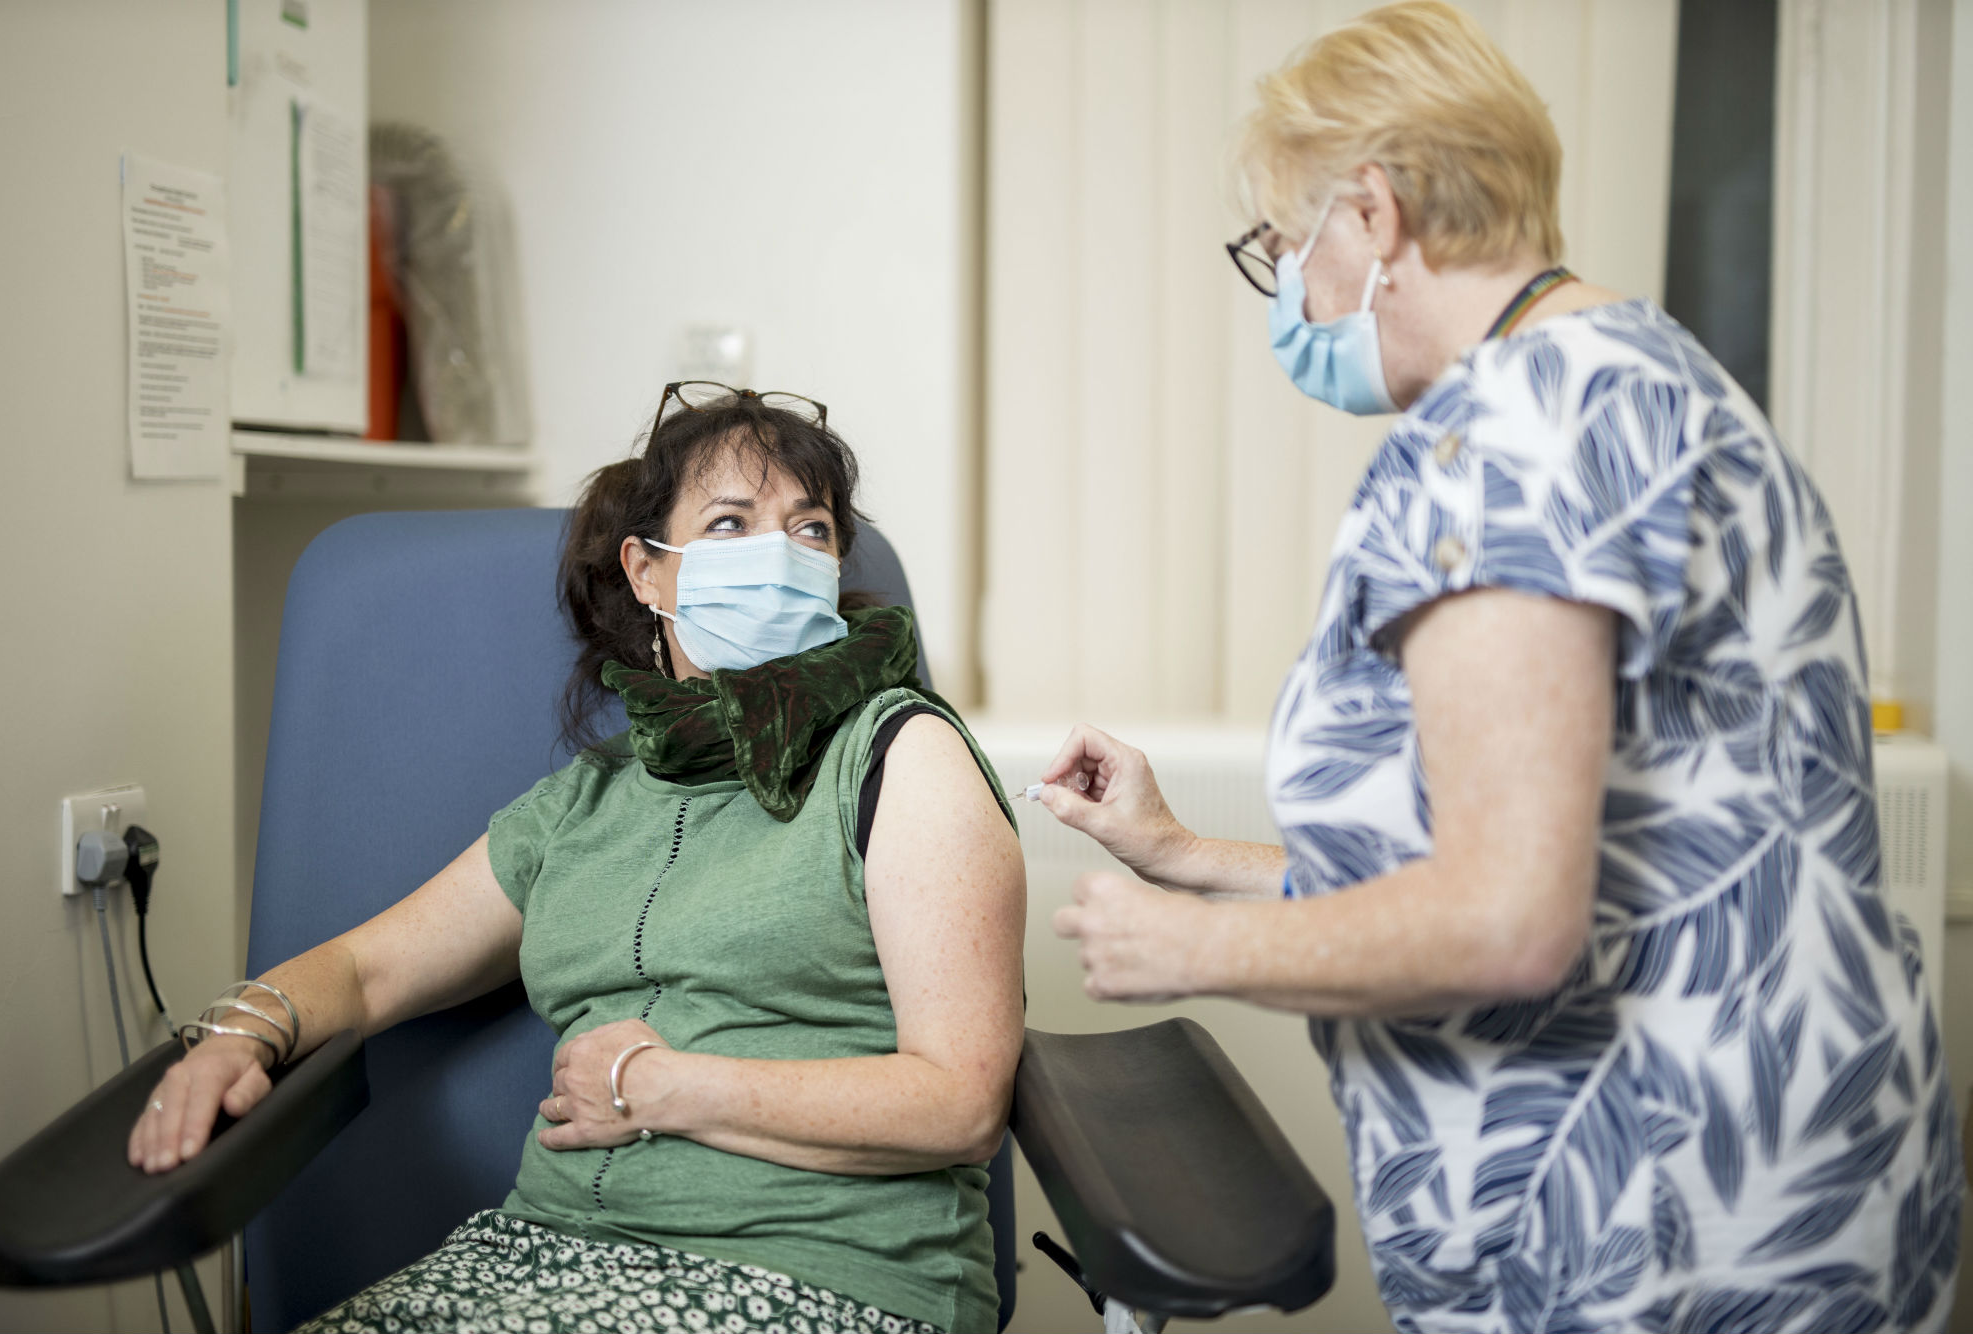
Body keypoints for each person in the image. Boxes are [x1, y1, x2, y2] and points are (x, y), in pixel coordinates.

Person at [1037, 4, 1960, 1331]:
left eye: (1283, 248)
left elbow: (1509, 922)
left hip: (1646, 1228)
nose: (1291, 295)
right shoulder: (1650, 373)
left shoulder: (1503, 434)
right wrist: (1185, 850)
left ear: (1374, 214)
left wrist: (1196, 943)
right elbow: (1593, 857)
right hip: (1798, 1169)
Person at [128, 383, 1027, 1334]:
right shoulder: (586, 803)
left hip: (823, 1274)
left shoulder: (899, 754)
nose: (778, 556)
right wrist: (239, 1034)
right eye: (730, 524)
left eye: (810, 530)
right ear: (648, 572)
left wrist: (665, 1089)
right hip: (541, 1261)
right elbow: (366, 968)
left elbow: (960, 1102)